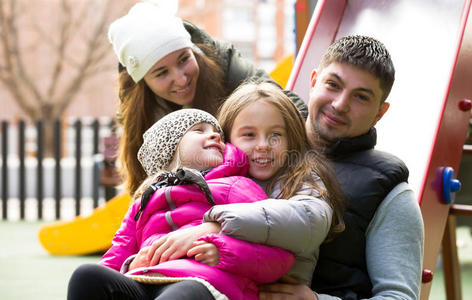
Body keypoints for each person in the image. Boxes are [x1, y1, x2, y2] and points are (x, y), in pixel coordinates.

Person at [258, 35, 425, 299]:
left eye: (361, 97)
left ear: (380, 113)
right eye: (333, 85)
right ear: (313, 82)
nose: (340, 104)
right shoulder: (256, 145)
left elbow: (399, 297)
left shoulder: (391, 194)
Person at [67, 109, 295, 300]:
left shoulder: (235, 185)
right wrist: (131, 263)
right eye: (199, 130)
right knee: (86, 276)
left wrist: (223, 252)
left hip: (204, 283)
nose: (215, 135)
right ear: (172, 147)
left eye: (217, 132)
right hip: (146, 280)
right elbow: (116, 255)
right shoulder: (144, 202)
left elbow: (278, 252)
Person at [139, 81, 346, 288]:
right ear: (226, 139)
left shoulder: (302, 180)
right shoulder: (212, 181)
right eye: (249, 135)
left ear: (292, 138)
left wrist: (216, 226)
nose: (263, 145)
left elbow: (308, 220)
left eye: (276, 135)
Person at [108, 0, 307, 195]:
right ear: (143, 82)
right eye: (161, 73)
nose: (181, 79)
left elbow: (290, 108)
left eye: (184, 59)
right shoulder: (139, 111)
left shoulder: (222, 63)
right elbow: (140, 185)